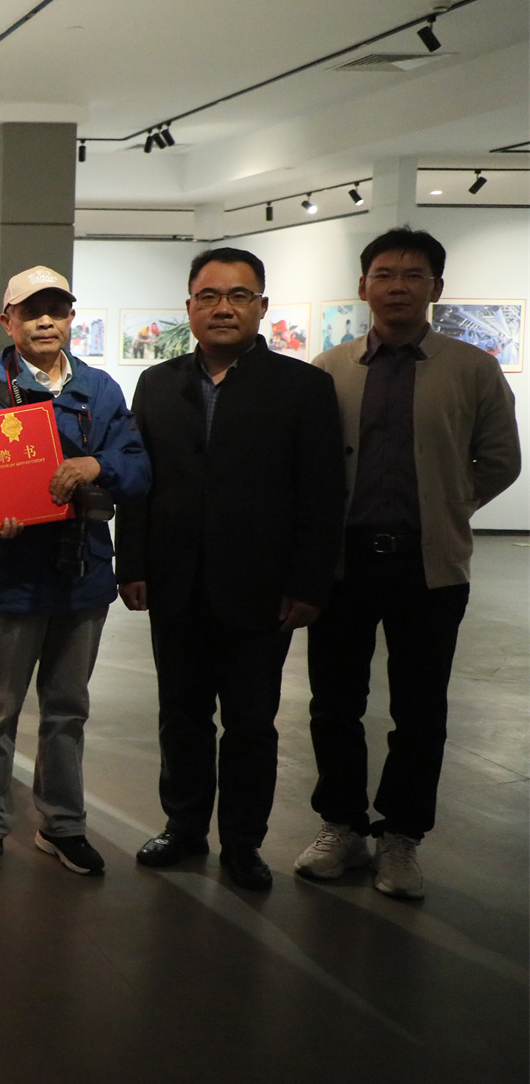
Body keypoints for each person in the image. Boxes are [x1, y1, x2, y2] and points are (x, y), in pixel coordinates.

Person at [295, 227, 520, 898]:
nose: (397, 287)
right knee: (335, 703)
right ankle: (341, 824)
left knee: (420, 710)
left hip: (429, 568)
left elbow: (500, 460)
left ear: (436, 288)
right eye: (384, 274)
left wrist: (446, 505)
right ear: (363, 286)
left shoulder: (471, 368)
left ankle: (401, 836)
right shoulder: (329, 368)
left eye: (413, 275)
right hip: (343, 565)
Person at [116, 248, 344, 890]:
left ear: (261, 306)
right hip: (175, 581)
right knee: (181, 715)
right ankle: (184, 827)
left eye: (239, 296)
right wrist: (131, 562)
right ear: (189, 307)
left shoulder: (303, 387)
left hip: (261, 589)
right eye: (209, 296)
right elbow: (139, 481)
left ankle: (244, 842)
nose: (223, 308)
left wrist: (308, 583)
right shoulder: (158, 383)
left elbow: (321, 493)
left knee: (250, 723)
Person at [0, 267, 150, 877]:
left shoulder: (100, 390)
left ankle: (63, 825)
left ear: (70, 319)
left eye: (56, 311)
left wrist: (96, 467)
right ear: (6, 321)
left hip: (81, 574)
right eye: (30, 312)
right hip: (9, 575)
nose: (44, 322)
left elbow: (138, 469)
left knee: (67, 709)